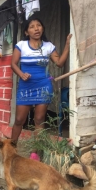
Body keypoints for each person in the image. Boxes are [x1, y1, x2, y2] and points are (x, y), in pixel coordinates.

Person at [11, 16, 72, 155]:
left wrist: (67, 45)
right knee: (20, 120)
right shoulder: (21, 45)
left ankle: (35, 152)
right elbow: (13, 64)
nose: (36, 28)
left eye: (38, 25)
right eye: (31, 27)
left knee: (39, 119)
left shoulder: (48, 46)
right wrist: (21, 74)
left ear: (42, 28)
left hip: (43, 86)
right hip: (26, 86)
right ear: (27, 32)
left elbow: (60, 63)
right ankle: (11, 148)